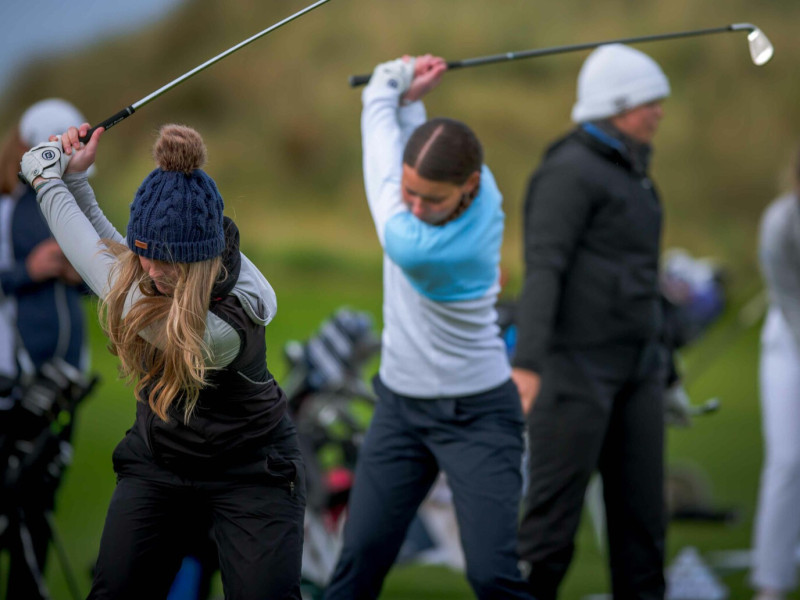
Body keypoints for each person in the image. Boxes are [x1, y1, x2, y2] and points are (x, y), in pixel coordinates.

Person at [19, 122, 305, 599]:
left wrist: (46, 181)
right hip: (161, 462)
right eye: (146, 256)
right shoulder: (159, 266)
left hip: (252, 470)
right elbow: (118, 254)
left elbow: (103, 274)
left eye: (165, 263)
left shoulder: (224, 327)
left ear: (198, 261)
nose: (151, 271)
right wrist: (75, 179)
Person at [324, 54, 532, 600]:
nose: (413, 207)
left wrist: (383, 88)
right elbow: (414, 156)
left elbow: (380, 160)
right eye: (410, 192)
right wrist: (413, 102)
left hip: (479, 415)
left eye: (430, 199)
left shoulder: (420, 247)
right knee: (357, 565)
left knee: (493, 577)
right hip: (401, 410)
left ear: (471, 186)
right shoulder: (466, 193)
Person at [512, 44, 671, 599]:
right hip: (574, 373)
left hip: (636, 374)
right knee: (550, 535)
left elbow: (639, 278)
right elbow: (545, 270)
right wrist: (528, 364)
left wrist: (662, 361)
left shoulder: (633, 170)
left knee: (644, 531)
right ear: (617, 104)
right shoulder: (568, 171)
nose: (658, 111)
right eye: (649, 101)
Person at [0, 98, 91, 600]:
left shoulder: (67, 204)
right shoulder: (6, 211)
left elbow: (94, 287)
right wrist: (26, 272)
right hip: (13, 382)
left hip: (63, 381)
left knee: (39, 511)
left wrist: (79, 273)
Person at [750, 144, 800, 600]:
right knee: (788, 460)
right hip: (790, 343)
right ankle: (772, 581)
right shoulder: (781, 222)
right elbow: (791, 303)